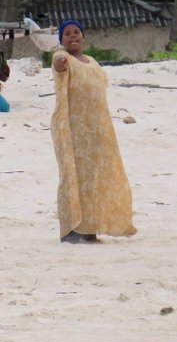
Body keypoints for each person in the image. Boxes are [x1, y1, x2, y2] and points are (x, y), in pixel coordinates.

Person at [51, 20, 137, 244]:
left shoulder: (93, 62)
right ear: (61, 40)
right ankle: (71, 229)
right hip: (72, 128)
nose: (72, 36)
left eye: (76, 32)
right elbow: (59, 66)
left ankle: (90, 227)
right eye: (67, 34)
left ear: (83, 36)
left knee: (95, 177)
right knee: (73, 175)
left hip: (98, 129)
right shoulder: (63, 58)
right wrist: (60, 58)